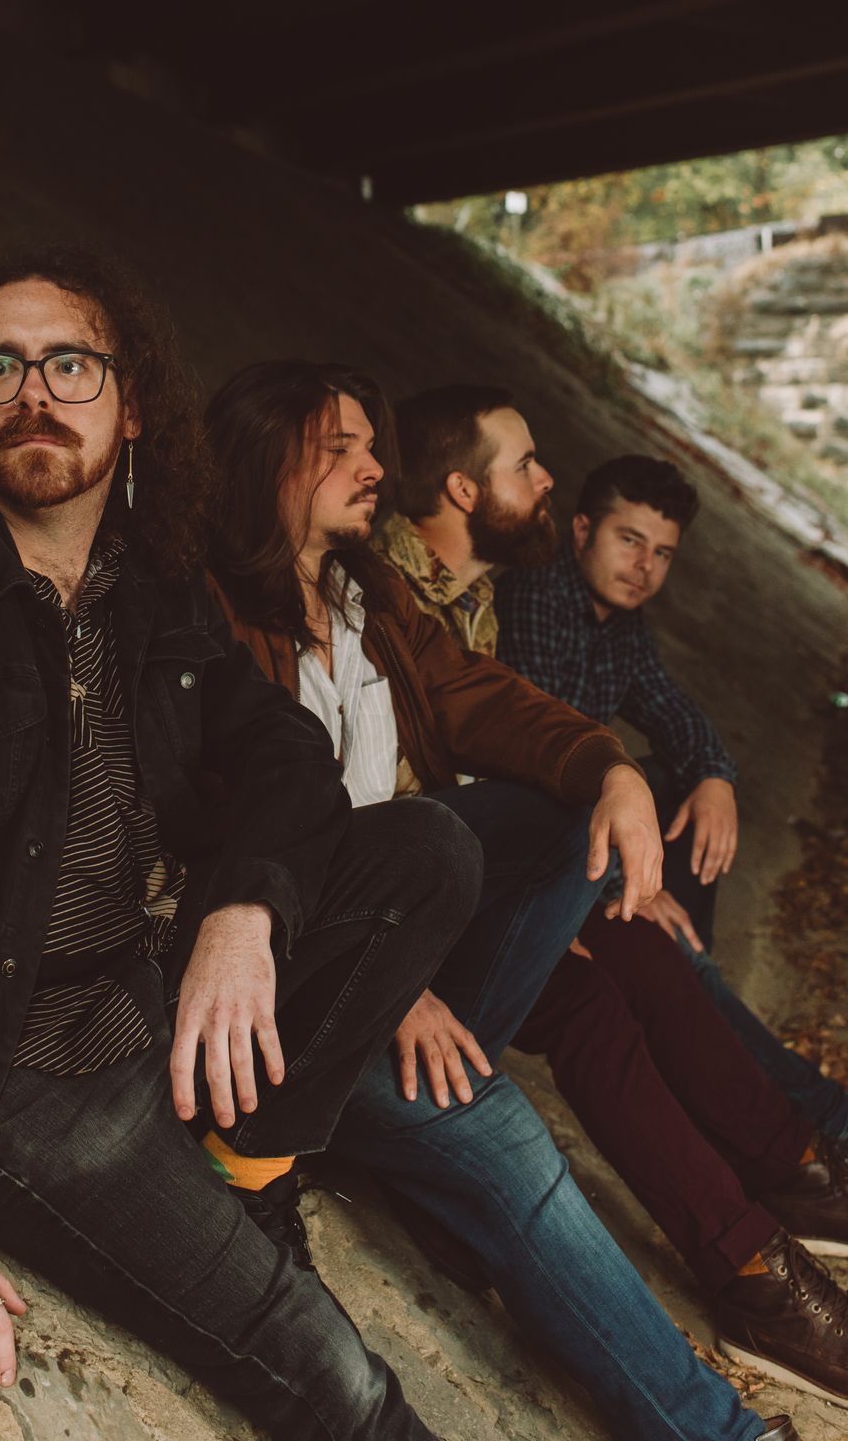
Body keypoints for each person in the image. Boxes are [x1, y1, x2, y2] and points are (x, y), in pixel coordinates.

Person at [0, 245, 488, 1441]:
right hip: (15, 1072)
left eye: (70, 364)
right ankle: (224, 1230)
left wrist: (244, 911)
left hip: (144, 994)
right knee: (337, 1380)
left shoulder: (150, 586)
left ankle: (246, 1167)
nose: (32, 392)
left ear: (130, 405)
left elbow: (286, 754)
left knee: (427, 850)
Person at [204, 358, 799, 1441]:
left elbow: (485, 700)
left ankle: (441, 1128)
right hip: (293, 995)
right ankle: (725, 1430)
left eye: (371, 445)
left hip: (395, 937)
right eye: (341, 448)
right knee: (513, 1137)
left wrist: (615, 773)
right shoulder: (209, 614)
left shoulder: (365, 591)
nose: (373, 468)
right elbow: (231, 850)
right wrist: (392, 984)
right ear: (269, 462)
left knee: (570, 815)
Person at [382, 385, 848, 1409]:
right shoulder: (408, 597)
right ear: (462, 489)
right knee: (614, 923)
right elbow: (372, 813)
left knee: (628, 946)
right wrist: (565, 884)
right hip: (399, 941)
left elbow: (605, 728)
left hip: (463, 897)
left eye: (660, 550)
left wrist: (686, 775)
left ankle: (765, 1238)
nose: (548, 479)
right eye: (527, 465)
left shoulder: (471, 605)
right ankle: (780, 1197)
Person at [493, 447, 848, 1147]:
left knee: (689, 785)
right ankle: (825, 1114)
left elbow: (675, 713)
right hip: (525, 853)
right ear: (582, 531)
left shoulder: (620, 624)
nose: (644, 567)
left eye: (661, 553)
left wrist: (715, 776)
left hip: (580, 835)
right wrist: (632, 886)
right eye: (629, 541)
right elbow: (547, 776)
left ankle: (691, 988)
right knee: (677, 952)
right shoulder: (538, 598)